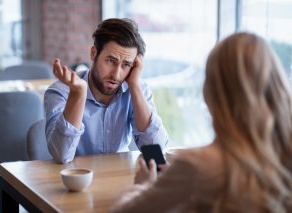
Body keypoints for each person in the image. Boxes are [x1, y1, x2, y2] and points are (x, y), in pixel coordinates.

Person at [109, 32, 292, 212]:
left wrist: (144, 186)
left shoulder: (196, 166)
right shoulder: (283, 155)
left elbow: (120, 210)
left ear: (211, 92)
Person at [44, 18, 168, 164]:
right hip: (75, 181)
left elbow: (156, 150)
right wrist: (78, 94)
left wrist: (134, 85)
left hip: (120, 179)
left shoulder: (137, 89)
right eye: (110, 61)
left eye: (126, 65)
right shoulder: (60, 91)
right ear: (93, 53)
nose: (116, 75)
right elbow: (62, 155)